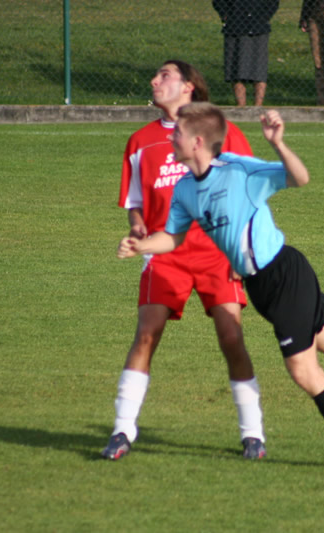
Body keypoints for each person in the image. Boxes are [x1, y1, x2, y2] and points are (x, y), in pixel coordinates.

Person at [117, 102, 324, 471]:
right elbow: (172, 238)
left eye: (178, 133)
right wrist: (142, 245)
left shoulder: (239, 170)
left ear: (198, 141)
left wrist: (279, 145)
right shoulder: (186, 188)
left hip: (285, 274)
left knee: (303, 369)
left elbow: (299, 178)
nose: (171, 135)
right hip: (260, 285)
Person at [103, 60, 267, 462]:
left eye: (164, 75)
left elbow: (249, 194)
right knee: (146, 334)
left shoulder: (221, 133)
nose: (154, 81)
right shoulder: (140, 140)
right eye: (155, 75)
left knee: (232, 338)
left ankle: (253, 434)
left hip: (216, 253)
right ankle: (122, 430)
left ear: (189, 86)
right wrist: (138, 231)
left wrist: (238, 251)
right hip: (166, 253)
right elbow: (136, 205)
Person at [212, 0, 280, 107]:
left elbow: (273, 3)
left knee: (259, 71)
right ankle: (240, 107)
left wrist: (264, 17)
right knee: (236, 71)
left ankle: (258, 107)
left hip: (259, 27)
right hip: (234, 27)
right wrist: (226, 15)